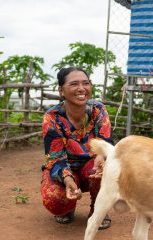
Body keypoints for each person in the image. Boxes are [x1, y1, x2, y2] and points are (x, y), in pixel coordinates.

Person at [40, 67, 112, 229]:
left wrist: (101, 157)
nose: (81, 88)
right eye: (74, 84)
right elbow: (55, 157)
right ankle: (67, 207)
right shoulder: (52, 117)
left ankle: (98, 209)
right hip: (64, 168)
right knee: (54, 200)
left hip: (91, 167)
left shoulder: (98, 110)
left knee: (103, 170)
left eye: (85, 83)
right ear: (61, 90)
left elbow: (105, 143)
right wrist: (68, 179)